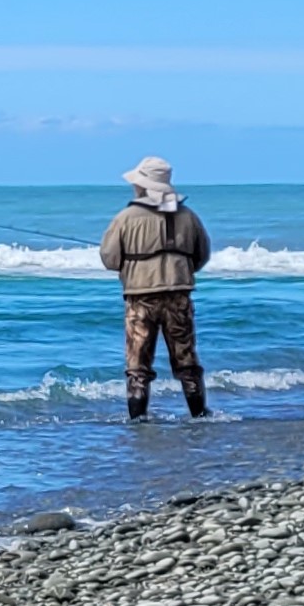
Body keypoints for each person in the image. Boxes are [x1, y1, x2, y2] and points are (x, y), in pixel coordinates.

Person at [99, 155, 212, 420]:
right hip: (178, 295)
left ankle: (138, 420)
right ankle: (199, 415)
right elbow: (202, 255)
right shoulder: (189, 217)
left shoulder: (125, 218)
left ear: (141, 185)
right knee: (186, 359)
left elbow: (110, 259)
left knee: (138, 364)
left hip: (140, 297)